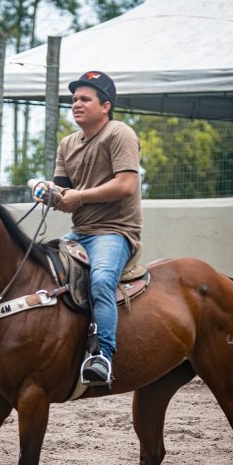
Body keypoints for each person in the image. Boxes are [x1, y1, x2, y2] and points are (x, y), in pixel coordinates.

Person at [52, 71, 142, 386]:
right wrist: (47, 192)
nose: (76, 104)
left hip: (115, 232)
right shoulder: (67, 144)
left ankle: (103, 356)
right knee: (41, 269)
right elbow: (62, 191)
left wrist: (78, 197)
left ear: (105, 106)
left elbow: (127, 185)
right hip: (79, 233)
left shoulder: (120, 134)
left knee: (102, 281)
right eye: (74, 99)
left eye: (84, 99)